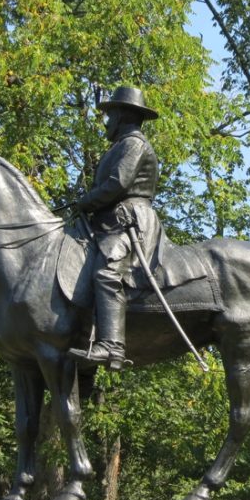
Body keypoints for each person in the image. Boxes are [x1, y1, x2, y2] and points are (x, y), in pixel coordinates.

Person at [69, 86, 161, 370]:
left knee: (107, 272)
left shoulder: (134, 144)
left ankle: (112, 347)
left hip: (130, 219)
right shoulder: (121, 145)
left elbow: (118, 183)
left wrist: (87, 201)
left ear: (122, 115)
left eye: (110, 116)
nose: (107, 122)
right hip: (112, 220)